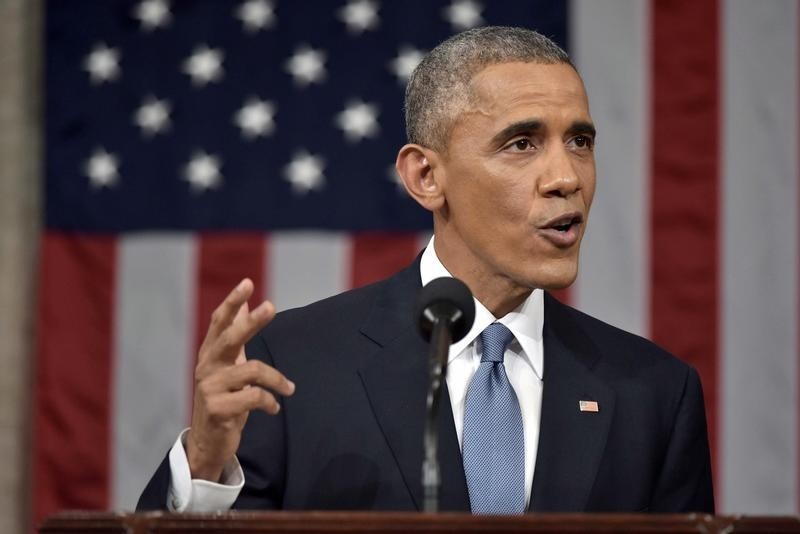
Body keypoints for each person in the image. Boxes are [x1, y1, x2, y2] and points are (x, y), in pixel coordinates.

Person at [138, 26, 714, 514]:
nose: (566, 177)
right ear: (425, 178)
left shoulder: (654, 394)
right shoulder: (295, 365)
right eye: (522, 143)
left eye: (580, 141)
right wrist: (205, 465)